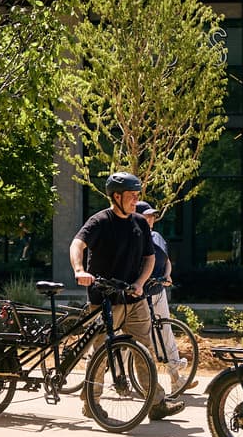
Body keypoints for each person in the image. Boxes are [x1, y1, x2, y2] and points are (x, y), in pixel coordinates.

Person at [70, 171, 182, 420]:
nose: (135, 200)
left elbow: (150, 257)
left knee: (144, 349)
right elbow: (77, 244)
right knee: (101, 351)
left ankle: (155, 403)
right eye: (131, 196)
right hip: (105, 298)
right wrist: (79, 270)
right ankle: (91, 402)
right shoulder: (100, 221)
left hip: (134, 297)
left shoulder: (139, 223)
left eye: (137, 195)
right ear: (116, 196)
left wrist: (141, 283)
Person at [135, 201, 186, 384]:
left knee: (166, 330)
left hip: (158, 290)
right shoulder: (135, 237)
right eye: (147, 215)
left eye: (152, 216)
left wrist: (167, 275)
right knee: (136, 336)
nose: (151, 219)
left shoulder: (156, 236)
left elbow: (166, 260)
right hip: (140, 294)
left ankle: (176, 378)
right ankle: (121, 377)